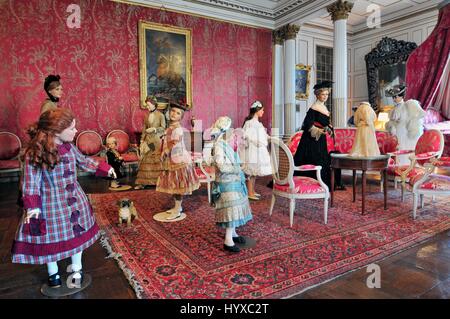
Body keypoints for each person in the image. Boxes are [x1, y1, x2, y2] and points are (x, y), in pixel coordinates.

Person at [11, 108, 116, 289]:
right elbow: (31, 182)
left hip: (75, 201)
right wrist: (33, 207)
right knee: (50, 241)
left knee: (77, 237)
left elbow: (83, 161)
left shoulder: (68, 147)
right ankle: (54, 275)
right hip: (51, 205)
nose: (76, 132)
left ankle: (76, 270)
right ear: (56, 130)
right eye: (72, 128)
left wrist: (105, 168)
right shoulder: (36, 152)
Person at [210, 116, 252, 253]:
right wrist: (237, 169)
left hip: (233, 180)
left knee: (237, 205)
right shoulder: (218, 146)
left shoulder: (225, 144)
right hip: (225, 181)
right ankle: (228, 240)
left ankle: (233, 234)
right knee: (231, 208)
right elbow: (222, 167)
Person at [293, 81, 344, 190]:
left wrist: (328, 128)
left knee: (322, 159)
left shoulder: (323, 108)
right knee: (314, 159)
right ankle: (311, 183)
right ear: (317, 95)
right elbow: (307, 125)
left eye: (327, 94)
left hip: (320, 139)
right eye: (323, 94)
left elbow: (324, 123)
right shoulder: (314, 108)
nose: (325, 96)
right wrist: (319, 130)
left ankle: (323, 183)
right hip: (310, 140)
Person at [156, 102, 200, 220]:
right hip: (172, 159)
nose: (174, 114)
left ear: (181, 117)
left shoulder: (179, 129)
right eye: (173, 111)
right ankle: (177, 207)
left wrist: (165, 151)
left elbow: (174, 142)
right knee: (174, 185)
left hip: (179, 160)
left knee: (178, 185)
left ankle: (178, 208)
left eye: (178, 113)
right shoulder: (170, 127)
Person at [238, 101, 272, 200]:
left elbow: (263, 135)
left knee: (254, 172)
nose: (263, 112)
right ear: (257, 110)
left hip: (258, 149)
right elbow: (248, 136)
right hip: (252, 149)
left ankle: (251, 190)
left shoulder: (258, 123)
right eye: (262, 110)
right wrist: (258, 141)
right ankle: (249, 192)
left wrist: (269, 137)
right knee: (251, 171)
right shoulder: (250, 123)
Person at [385, 84, 426, 165]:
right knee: (399, 151)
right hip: (398, 133)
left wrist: (412, 122)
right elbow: (393, 122)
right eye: (393, 97)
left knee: (408, 150)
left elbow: (421, 114)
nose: (394, 99)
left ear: (401, 96)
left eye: (396, 96)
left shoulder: (409, 105)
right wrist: (392, 126)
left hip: (406, 133)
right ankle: (401, 171)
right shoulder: (393, 110)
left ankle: (410, 170)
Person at [135, 96, 167, 189]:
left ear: (154, 104)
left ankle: (159, 181)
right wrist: (141, 140)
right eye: (147, 106)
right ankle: (143, 182)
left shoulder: (160, 115)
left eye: (148, 105)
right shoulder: (146, 115)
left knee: (156, 160)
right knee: (145, 160)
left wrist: (154, 129)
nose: (147, 108)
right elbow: (144, 129)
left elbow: (163, 128)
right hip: (148, 140)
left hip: (157, 141)